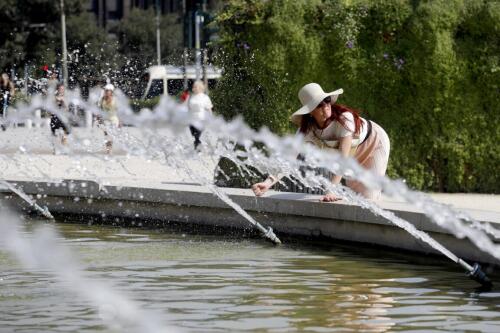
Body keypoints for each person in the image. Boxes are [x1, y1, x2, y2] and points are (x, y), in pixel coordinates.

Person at [252, 83, 390, 201]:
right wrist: (268, 183)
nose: (326, 106)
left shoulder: (344, 119)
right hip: (354, 155)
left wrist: (331, 189)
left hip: (375, 144)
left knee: (369, 197)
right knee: (357, 197)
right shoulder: (306, 130)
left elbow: (343, 159)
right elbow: (289, 159)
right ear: (310, 111)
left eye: (327, 100)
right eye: (319, 105)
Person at [187, 80, 213, 149]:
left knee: (197, 135)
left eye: (196, 87)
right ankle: (198, 147)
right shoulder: (191, 97)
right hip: (192, 120)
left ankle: (198, 149)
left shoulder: (205, 97)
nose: (194, 88)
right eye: (194, 87)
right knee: (194, 135)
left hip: (201, 119)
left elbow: (209, 108)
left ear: (200, 88)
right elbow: (189, 108)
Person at [98, 83, 119, 153]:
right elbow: (100, 110)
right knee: (106, 135)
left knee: (110, 135)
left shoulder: (115, 99)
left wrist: (121, 121)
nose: (106, 92)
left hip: (114, 120)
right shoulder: (102, 99)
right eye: (105, 90)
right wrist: (99, 119)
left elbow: (119, 111)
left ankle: (109, 149)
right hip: (105, 120)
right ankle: (108, 149)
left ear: (111, 91)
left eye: (108, 90)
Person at [49, 83, 71, 148]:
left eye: (63, 89)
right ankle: (55, 146)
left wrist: (63, 101)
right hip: (55, 117)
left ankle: (63, 141)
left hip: (63, 116)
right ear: (57, 89)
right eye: (60, 89)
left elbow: (67, 109)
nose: (61, 90)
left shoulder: (66, 97)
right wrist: (56, 101)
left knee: (66, 131)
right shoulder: (53, 97)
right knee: (54, 132)